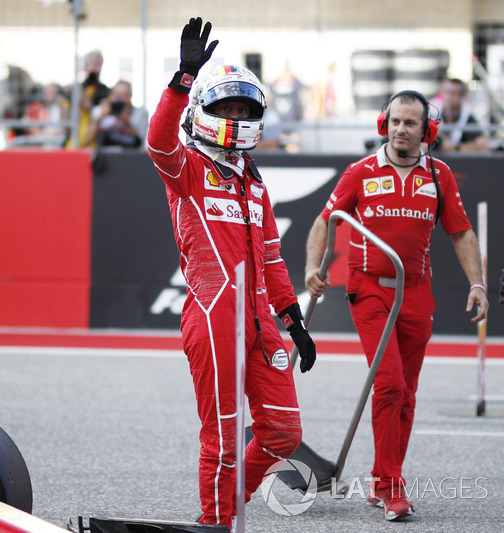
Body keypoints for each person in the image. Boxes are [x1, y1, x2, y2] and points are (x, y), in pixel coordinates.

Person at [146, 18, 317, 526]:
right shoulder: (188, 169)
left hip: (263, 321)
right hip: (213, 315)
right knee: (221, 437)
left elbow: (271, 257)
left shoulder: (255, 183)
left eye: (244, 109)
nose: (236, 116)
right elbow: (158, 142)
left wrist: (294, 320)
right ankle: (216, 519)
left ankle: (225, 506)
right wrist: (183, 80)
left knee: (284, 431)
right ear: (204, 113)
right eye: (226, 108)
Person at [304, 89, 488, 521]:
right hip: (368, 290)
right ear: (383, 123)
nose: (402, 130)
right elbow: (323, 220)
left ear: (427, 131)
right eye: (396, 121)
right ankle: (390, 488)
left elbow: (460, 233)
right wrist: (314, 265)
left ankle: (383, 477)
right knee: (389, 384)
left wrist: (476, 283)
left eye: (411, 123)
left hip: (417, 292)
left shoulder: (440, 176)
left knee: (407, 394)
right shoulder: (360, 172)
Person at [431, 78, 489, 152]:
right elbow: (422, 144)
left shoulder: (467, 114)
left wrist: (455, 148)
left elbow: (483, 145)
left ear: (463, 96)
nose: (449, 97)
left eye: (454, 93)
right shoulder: (432, 112)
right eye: (447, 92)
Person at [85, 80, 148, 149]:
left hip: (132, 156)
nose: (120, 99)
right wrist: (100, 117)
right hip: (105, 157)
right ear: (111, 95)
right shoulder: (101, 111)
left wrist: (126, 122)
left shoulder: (140, 113)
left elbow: (141, 142)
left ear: (130, 95)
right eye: (117, 95)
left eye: (124, 95)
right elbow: (88, 140)